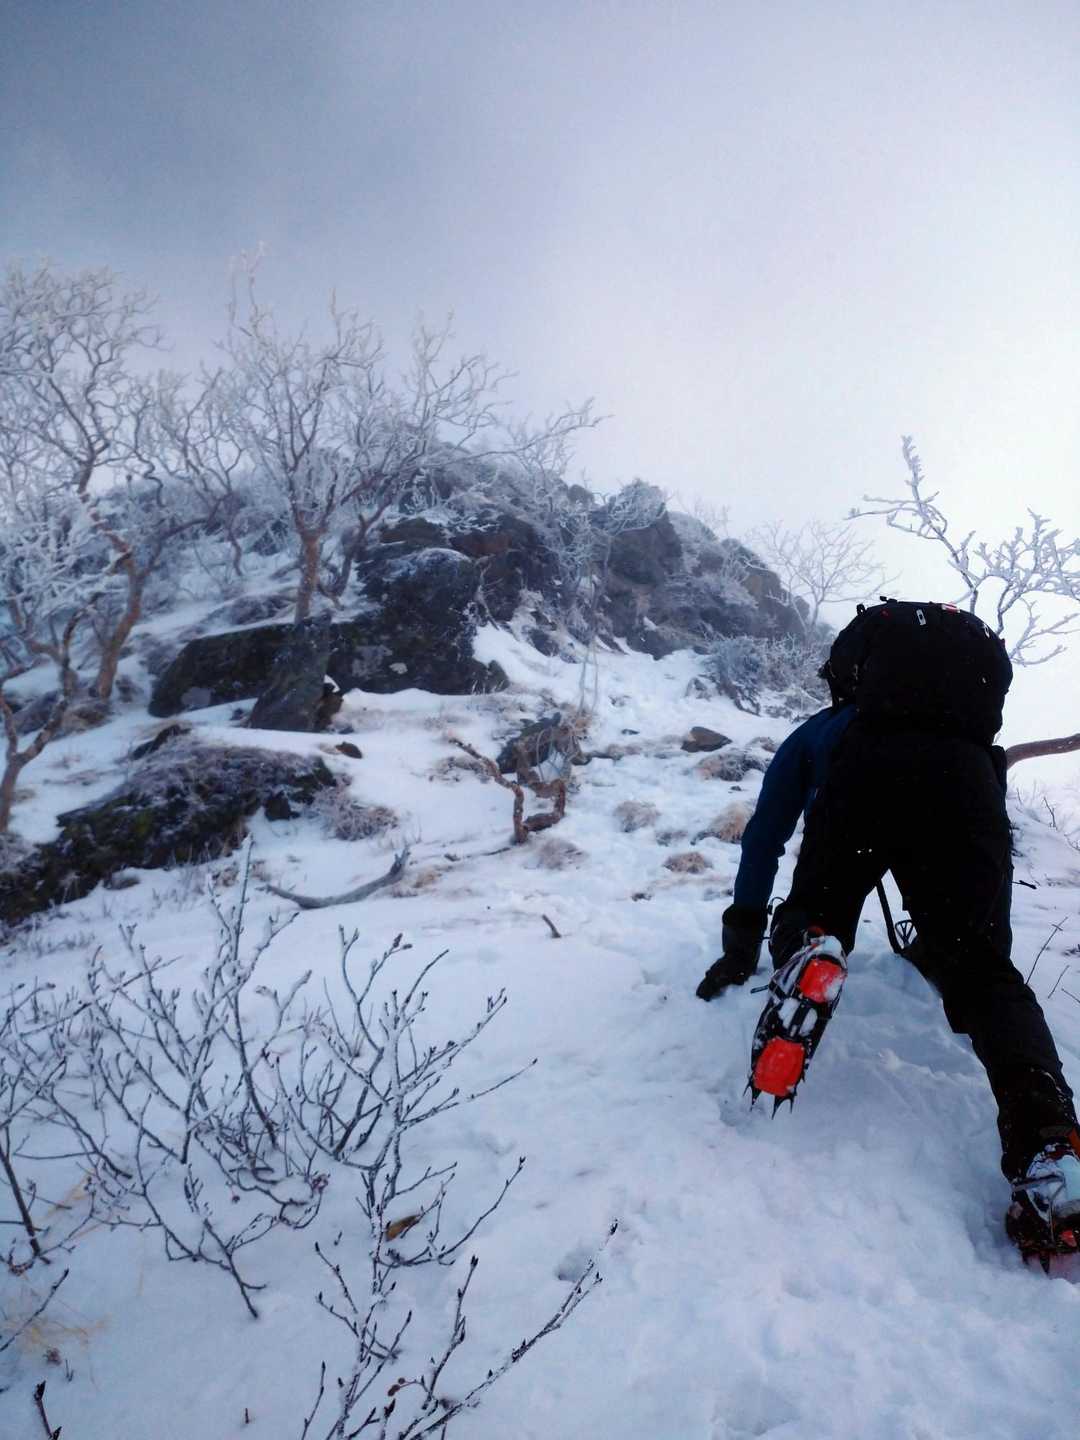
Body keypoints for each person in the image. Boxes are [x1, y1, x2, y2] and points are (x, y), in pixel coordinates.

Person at [735, 599, 1079, 1265]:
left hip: (867, 771)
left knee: (819, 910)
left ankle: (812, 954)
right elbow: (993, 905)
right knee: (983, 971)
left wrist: (743, 933)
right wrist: (977, 968)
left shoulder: (837, 715)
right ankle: (1050, 1150)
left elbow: (766, 832)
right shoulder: (975, 720)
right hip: (967, 784)